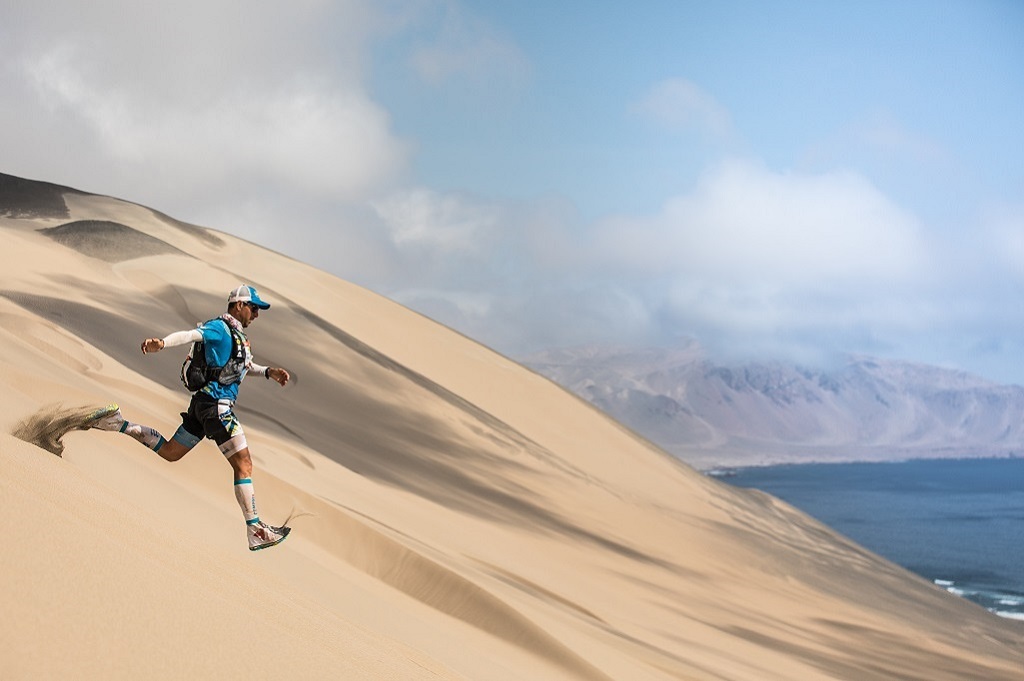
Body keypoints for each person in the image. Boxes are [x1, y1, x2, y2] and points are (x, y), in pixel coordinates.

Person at [87, 285, 293, 551]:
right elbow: (190, 335)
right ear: (239, 305)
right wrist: (161, 343)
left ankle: (118, 423)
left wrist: (268, 372)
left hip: (203, 406)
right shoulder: (219, 327)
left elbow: (242, 366)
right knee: (244, 464)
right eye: (254, 308)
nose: (256, 314)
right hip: (217, 407)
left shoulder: (238, 336)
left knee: (172, 452)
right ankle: (255, 529)